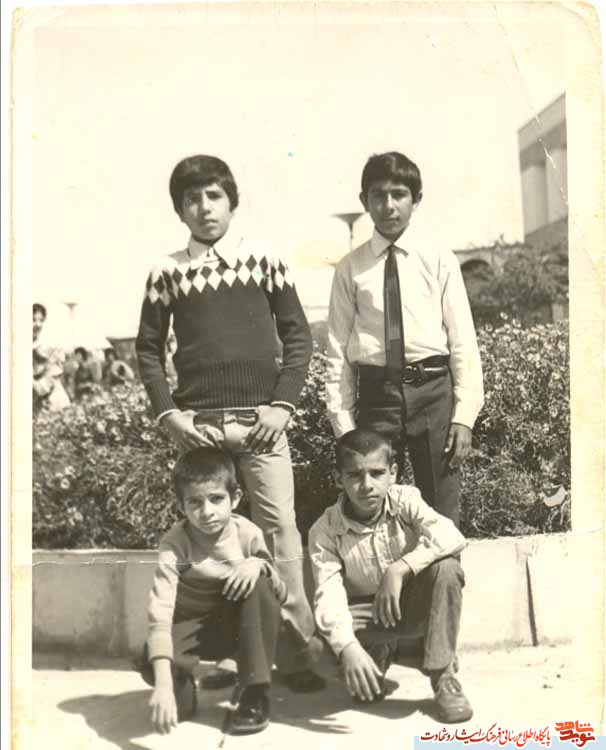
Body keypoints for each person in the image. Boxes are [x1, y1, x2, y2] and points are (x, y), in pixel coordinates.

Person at [135, 154, 323, 692]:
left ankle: (299, 652)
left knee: (280, 534)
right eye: (192, 199)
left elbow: (298, 337)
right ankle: (232, 654)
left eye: (213, 196)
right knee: (211, 540)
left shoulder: (264, 259)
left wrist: (282, 405)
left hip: (262, 425)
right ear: (180, 210)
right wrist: (170, 414)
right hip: (200, 429)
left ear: (232, 201)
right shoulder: (166, 270)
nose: (204, 207)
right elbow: (148, 350)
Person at [326, 152, 484, 526]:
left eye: (399, 194)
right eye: (378, 195)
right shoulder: (351, 268)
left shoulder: (438, 258)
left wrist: (464, 416)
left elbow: (462, 339)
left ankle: (445, 567)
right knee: (373, 507)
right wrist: (344, 427)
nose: (389, 205)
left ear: (416, 199)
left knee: (441, 510)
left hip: (432, 392)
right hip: (377, 395)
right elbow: (337, 350)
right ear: (364, 201)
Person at [308, 428, 471, 723]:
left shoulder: (405, 500)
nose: (366, 485)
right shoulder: (325, 530)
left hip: (408, 604)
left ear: (392, 473)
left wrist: (399, 569)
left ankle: (442, 675)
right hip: (368, 615)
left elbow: (452, 536)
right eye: (354, 475)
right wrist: (348, 648)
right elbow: (328, 593)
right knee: (317, 650)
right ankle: (377, 652)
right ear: (338, 479)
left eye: (376, 473)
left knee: (446, 569)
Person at [140, 447, 286, 735]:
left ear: (235, 498)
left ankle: (255, 691)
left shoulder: (248, 534)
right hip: (192, 628)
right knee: (155, 668)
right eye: (195, 502)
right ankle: (182, 684)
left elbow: (279, 593)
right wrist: (164, 685)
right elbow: (161, 610)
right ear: (181, 506)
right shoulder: (174, 544)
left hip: (236, 628)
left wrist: (257, 564)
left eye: (216, 499)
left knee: (259, 582)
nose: (207, 512)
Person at [32, 303, 70, 413]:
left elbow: (45, 385)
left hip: (51, 401)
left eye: (41, 320)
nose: (38, 324)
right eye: (33, 320)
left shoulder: (47, 346)